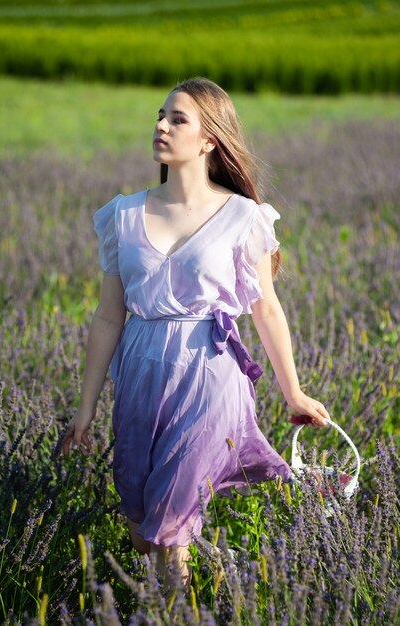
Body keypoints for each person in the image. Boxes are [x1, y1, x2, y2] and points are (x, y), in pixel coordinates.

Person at [61, 77, 330, 588]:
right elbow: (107, 318)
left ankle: (175, 612)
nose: (161, 125)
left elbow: (266, 310)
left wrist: (291, 390)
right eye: (160, 115)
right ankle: (195, 593)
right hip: (140, 377)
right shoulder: (123, 214)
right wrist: (86, 405)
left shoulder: (243, 217)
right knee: (142, 527)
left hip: (209, 375)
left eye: (177, 119)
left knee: (169, 526)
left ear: (209, 139)